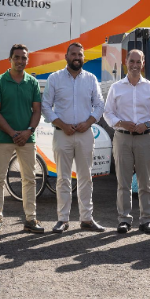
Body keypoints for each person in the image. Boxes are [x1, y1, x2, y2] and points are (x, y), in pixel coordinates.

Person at [41, 42, 106, 233]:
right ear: (66, 57)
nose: (77, 57)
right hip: (63, 134)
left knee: (86, 177)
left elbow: (99, 104)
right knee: (63, 178)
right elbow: (46, 106)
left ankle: (87, 218)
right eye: (73, 54)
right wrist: (61, 124)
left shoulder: (91, 79)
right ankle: (63, 219)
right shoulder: (55, 78)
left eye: (80, 54)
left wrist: (89, 122)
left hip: (85, 134)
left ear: (83, 57)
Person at [103, 49, 150, 234]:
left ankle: (146, 220)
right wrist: (120, 123)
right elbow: (107, 112)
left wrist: (147, 124)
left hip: (145, 139)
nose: (135, 65)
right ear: (126, 62)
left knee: (146, 182)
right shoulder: (116, 87)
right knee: (123, 181)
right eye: (132, 61)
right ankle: (124, 220)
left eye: (139, 61)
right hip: (122, 138)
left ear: (143, 63)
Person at [0, 44, 44, 235]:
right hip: (4, 138)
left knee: (29, 179)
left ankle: (30, 219)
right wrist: (13, 133)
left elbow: (37, 110)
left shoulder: (32, 82)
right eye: (17, 57)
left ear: (27, 60)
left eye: (24, 58)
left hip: (27, 139)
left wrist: (28, 131)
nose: (20, 61)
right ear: (10, 59)